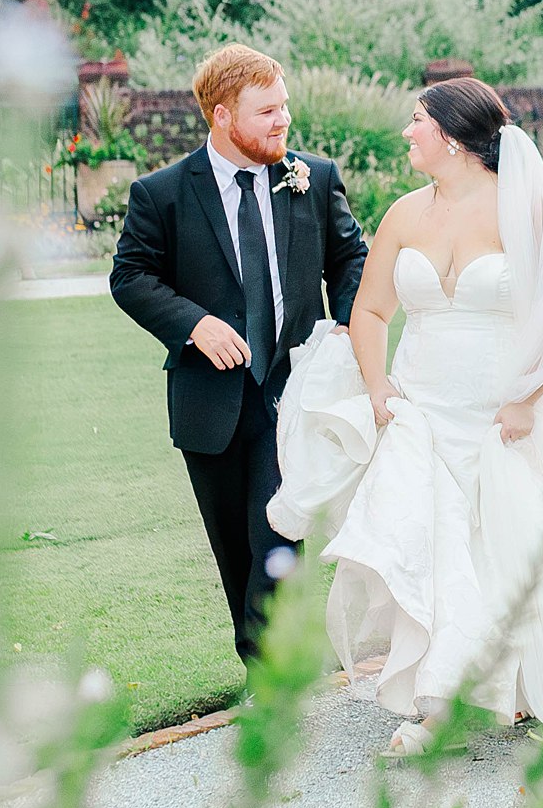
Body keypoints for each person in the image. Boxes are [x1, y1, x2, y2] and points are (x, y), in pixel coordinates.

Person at [268, 76, 543, 753]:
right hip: (421, 409)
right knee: (434, 552)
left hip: (500, 412)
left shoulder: (519, 209)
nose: (407, 132)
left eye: (417, 120)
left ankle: (536, 685)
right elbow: (372, 309)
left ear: (455, 136)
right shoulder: (405, 214)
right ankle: (439, 702)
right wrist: (378, 387)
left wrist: (526, 398)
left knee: (514, 547)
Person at [110, 44, 367, 663]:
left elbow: (351, 257)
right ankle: (263, 661)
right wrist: (194, 324)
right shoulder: (162, 194)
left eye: (284, 107)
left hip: (295, 392)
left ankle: (268, 676)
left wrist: (347, 327)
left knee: (277, 529)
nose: (282, 122)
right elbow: (131, 277)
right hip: (211, 401)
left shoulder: (314, 177)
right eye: (266, 111)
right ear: (221, 116)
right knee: (235, 546)